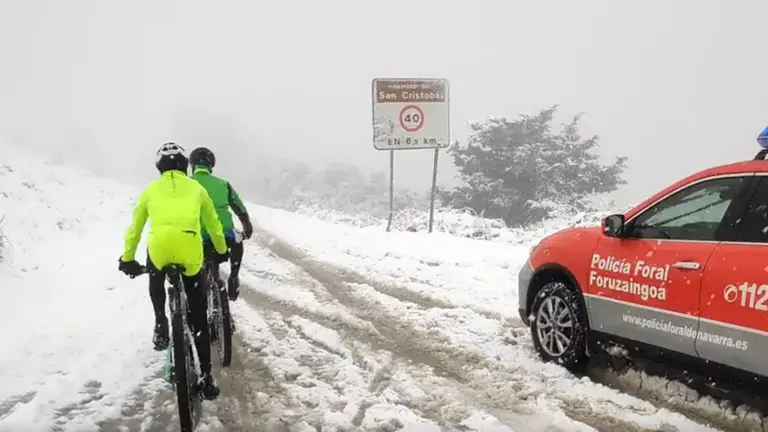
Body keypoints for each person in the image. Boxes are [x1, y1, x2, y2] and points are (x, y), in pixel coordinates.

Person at [117, 142, 229, 400]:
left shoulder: (150, 190)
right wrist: (221, 250)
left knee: (155, 275)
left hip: (160, 249)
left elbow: (135, 228)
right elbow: (212, 223)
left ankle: (160, 323)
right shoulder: (197, 188)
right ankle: (206, 378)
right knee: (198, 314)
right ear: (184, 165)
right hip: (190, 249)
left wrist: (127, 259)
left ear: (159, 167)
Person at [189, 147, 254, 301]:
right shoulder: (223, 184)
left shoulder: (186, 185)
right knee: (237, 240)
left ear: (192, 165)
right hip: (224, 235)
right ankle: (233, 277)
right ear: (211, 165)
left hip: (197, 237)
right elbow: (240, 208)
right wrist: (247, 227)